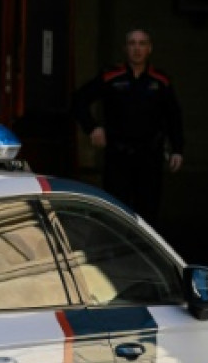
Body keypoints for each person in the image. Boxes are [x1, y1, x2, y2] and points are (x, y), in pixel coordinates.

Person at [71, 28, 184, 224]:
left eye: (142, 44)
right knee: (116, 213)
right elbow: (79, 100)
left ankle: (143, 254)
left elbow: (174, 116)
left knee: (148, 214)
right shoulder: (111, 76)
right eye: (132, 43)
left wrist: (178, 149)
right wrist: (92, 128)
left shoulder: (161, 80)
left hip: (150, 156)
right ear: (125, 49)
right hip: (118, 156)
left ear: (149, 49)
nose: (137, 48)